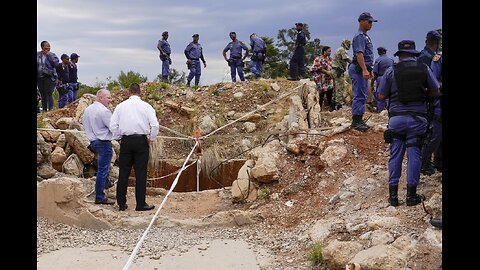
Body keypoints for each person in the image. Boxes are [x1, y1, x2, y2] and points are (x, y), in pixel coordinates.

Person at [377, 40, 440, 207]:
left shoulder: (391, 71)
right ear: (414, 54)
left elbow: (381, 96)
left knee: (395, 155)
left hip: (396, 120)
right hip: (417, 120)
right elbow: (435, 91)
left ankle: (393, 196)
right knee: (414, 154)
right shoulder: (424, 68)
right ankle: (411, 196)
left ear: (400, 55)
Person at [109, 83, 159, 211]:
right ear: (139, 92)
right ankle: (140, 204)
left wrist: (119, 138)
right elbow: (155, 125)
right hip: (141, 141)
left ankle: (121, 203)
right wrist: (151, 139)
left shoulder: (121, 106)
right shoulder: (146, 106)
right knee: (141, 173)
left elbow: (113, 125)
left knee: (123, 173)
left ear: (129, 92)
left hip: (126, 141)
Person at [83, 89, 115, 205]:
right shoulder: (104, 111)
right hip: (103, 142)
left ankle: (106, 184)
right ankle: (100, 196)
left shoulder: (87, 110)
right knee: (103, 169)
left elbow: (85, 125)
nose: (110, 100)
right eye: (108, 97)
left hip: (93, 142)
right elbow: (113, 127)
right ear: (100, 98)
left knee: (102, 167)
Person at [348, 12, 377, 132]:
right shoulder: (360, 36)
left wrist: (368, 70)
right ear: (361, 21)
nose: (371, 24)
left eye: (372, 22)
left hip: (363, 69)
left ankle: (359, 120)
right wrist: (365, 69)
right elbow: (359, 54)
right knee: (359, 95)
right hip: (358, 69)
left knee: (363, 94)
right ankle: (356, 122)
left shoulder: (364, 36)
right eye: (369, 21)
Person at [420, 30, 442, 176]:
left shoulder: (429, 56)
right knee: (433, 134)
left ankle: (437, 162)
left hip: (432, 99)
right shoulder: (432, 58)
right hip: (432, 100)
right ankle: (425, 162)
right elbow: (433, 82)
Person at [37, 41, 59, 112]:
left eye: (49, 48)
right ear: (42, 47)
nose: (47, 49)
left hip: (49, 77)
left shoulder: (52, 55)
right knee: (42, 95)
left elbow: (55, 64)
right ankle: (44, 110)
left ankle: (51, 110)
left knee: (49, 94)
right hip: (40, 77)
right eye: (46, 48)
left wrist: (48, 55)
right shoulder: (38, 55)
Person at [371, 47, 394, 112]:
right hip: (391, 78)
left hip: (381, 78)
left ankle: (380, 110)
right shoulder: (391, 60)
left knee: (380, 95)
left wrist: (372, 84)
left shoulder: (378, 60)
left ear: (379, 52)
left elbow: (375, 73)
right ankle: (388, 109)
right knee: (389, 94)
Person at [312, 46, 335, 111]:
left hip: (329, 80)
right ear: (324, 52)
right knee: (321, 94)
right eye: (329, 51)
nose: (330, 52)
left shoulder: (330, 59)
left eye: (330, 51)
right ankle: (319, 109)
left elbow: (333, 66)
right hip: (321, 80)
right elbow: (316, 67)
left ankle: (330, 109)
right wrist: (326, 72)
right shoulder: (318, 59)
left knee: (330, 93)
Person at [332, 39, 352, 109]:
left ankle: (333, 105)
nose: (349, 46)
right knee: (339, 88)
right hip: (338, 71)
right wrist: (353, 63)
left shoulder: (339, 49)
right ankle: (339, 105)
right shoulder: (342, 50)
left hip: (336, 70)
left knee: (336, 88)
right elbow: (346, 59)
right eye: (348, 44)